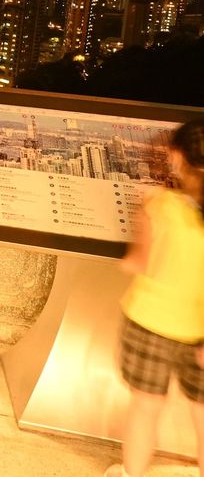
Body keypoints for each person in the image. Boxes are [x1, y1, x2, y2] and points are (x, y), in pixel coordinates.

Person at [106, 119, 204, 477]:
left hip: (148, 323)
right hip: (198, 331)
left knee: (145, 408)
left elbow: (138, 263)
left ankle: (132, 472)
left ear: (177, 158)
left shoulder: (158, 205)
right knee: (202, 411)